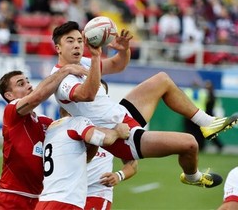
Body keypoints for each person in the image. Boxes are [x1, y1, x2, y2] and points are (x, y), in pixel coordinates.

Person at [50, 21, 238, 188]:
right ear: (58, 48)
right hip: (121, 135)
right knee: (190, 143)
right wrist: (97, 56)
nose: (77, 45)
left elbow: (117, 65)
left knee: (162, 80)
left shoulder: (82, 61)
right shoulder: (60, 78)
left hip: (121, 114)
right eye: (70, 41)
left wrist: (123, 50)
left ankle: (207, 123)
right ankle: (193, 176)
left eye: (79, 40)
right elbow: (87, 95)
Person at [0, 66, 88, 210]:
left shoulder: (46, 123)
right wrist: (65, 70)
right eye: (21, 84)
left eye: (28, 81)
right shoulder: (11, 112)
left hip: (39, 199)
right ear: (9, 96)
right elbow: (37, 97)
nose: (29, 85)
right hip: (10, 198)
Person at [35, 109, 130, 210]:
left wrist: (119, 175)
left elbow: (87, 158)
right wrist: (118, 132)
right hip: (67, 200)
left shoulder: (52, 128)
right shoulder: (78, 123)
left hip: (48, 199)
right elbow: (103, 139)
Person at [85, 80, 138, 210]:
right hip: (69, 192)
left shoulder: (116, 128)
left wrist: (118, 175)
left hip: (97, 193)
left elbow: (133, 164)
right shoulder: (75, 122)